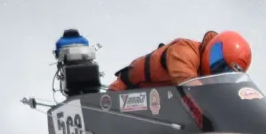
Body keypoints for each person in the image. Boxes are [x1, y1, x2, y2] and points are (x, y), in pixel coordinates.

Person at [107, 30, 252, 91]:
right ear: (212, 48)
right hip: (123, 98)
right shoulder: (184, 51)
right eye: (218, 63)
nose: (219, 71)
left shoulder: (207, 80)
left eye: (226, 71)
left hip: (165, 112)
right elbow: (190, 86)